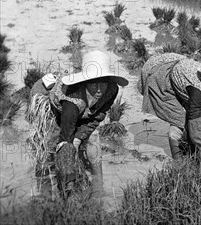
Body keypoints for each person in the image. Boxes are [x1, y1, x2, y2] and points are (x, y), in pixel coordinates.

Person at [27, 50, 128, 199]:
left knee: (92, 143)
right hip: (52, 109)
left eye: (103, 83)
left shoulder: (111, 89)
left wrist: (79, 137)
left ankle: (98, 190)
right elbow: (65, 139)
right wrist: (69, 178)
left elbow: (98, 116)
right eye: (94, 83)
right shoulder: (72, 102)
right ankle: (46, 193)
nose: (99, 89)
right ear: (86, 82)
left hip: (83, 112)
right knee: (49, 150)